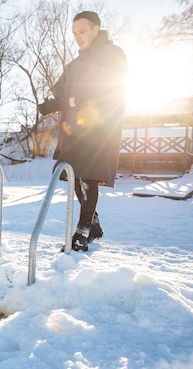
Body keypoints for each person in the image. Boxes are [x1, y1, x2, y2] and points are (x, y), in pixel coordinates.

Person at [37, 11, 127, 251]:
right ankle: (93, 222)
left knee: (88, 175)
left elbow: (106, 89)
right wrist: (53, 103)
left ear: (96, 30)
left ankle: (83, 231)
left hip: (98, 127)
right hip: (73, 129)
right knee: (74, 176)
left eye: (82, 31)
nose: (77, 37)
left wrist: (70, 100)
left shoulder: (112, 55)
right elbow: (61, 89)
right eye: (74, 33)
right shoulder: (74, 64)